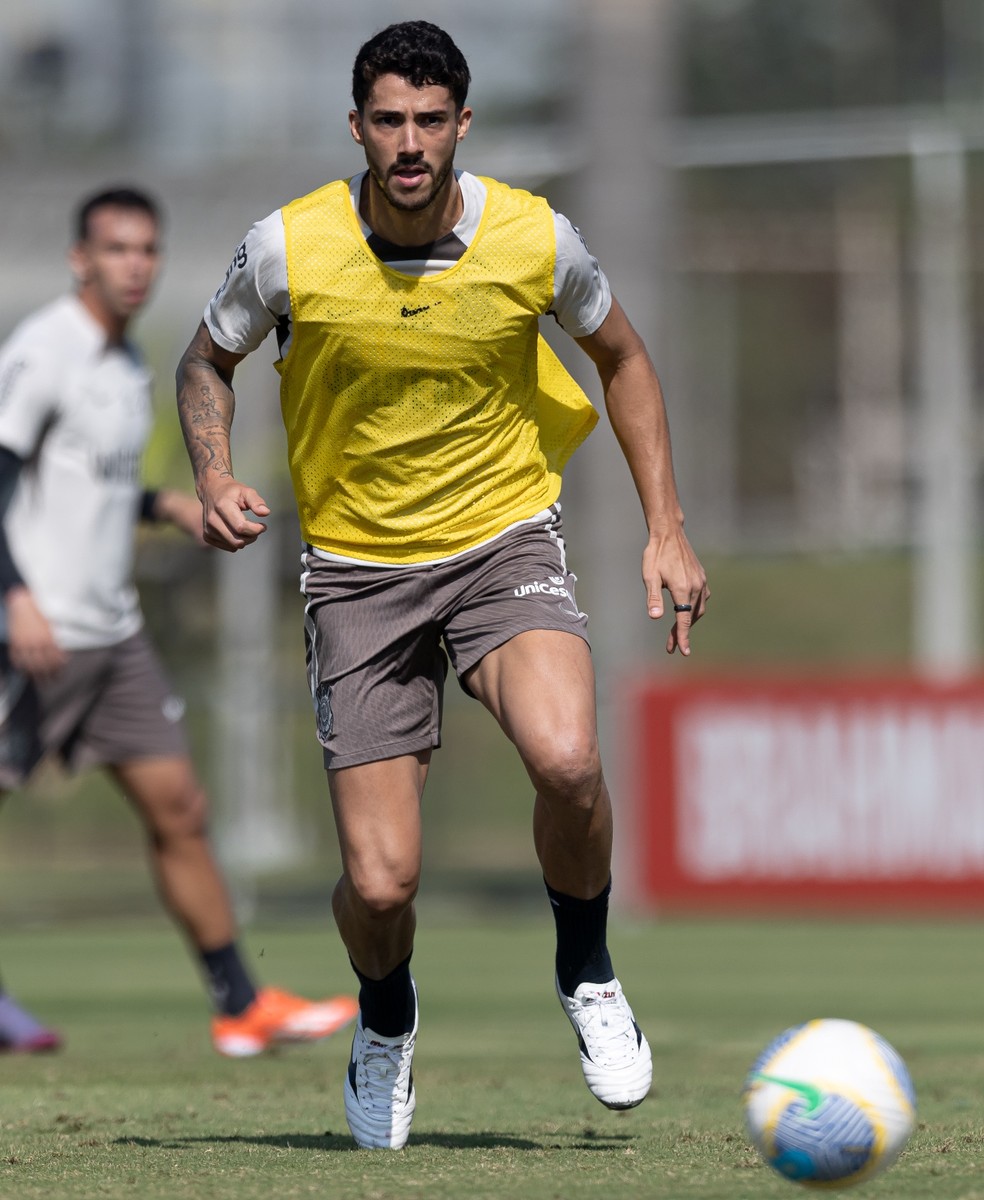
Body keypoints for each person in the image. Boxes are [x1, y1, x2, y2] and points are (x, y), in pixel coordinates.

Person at [175, 21, 709, 1149]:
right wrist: (213, 474)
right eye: (389, 121)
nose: (409, 143)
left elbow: (624, 357)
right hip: (356, 575)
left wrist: (666, 526)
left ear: (463, 123)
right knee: (381, 887)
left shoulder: (534, 238)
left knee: (569, 760)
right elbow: (205, 360)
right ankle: (386, 1018)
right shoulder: (288, 247)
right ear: (356, 127)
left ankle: (587, 970)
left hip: (500, 544)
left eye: (429, 121)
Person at [0, 186, 359, 1057]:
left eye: (147, 250)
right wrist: (14, 597)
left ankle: (241, 1004)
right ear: (80, 259)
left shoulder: (128, 362)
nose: (135, 266)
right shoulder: (45, 351)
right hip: (37, 634)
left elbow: (86, 486)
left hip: (111, 637)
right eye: (115, 249)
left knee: (181, 808)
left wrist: (166, 504)